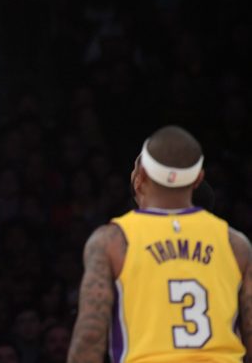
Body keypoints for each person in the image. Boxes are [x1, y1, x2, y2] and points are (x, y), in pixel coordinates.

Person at [67, 125, 252, 363]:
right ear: (198, 178)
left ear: (140, 175)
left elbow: (90, 335)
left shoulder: (112, 241)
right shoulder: (235, 243)